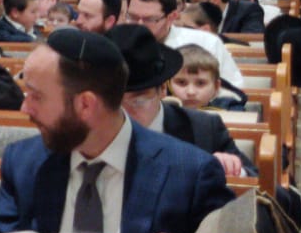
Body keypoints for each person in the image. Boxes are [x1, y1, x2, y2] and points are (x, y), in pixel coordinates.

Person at [0, 29, 235, 233]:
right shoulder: (22, 161)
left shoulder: (190, 172)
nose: (25, 108)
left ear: (86, 104)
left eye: (36, 96)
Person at [106, 25, 255, 178]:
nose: (124, 112)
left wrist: (232, 169)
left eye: (139, 100)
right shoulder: (92, 129)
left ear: (163, 89)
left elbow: (256, 180)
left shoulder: (203, 128)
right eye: (113, 101)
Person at [125, 0, 244, 89]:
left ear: (172, 17)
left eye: (149, 19)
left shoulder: (206, 42)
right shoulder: (118, 43)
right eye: (132, 17)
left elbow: (233, 89)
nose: (139, 25)